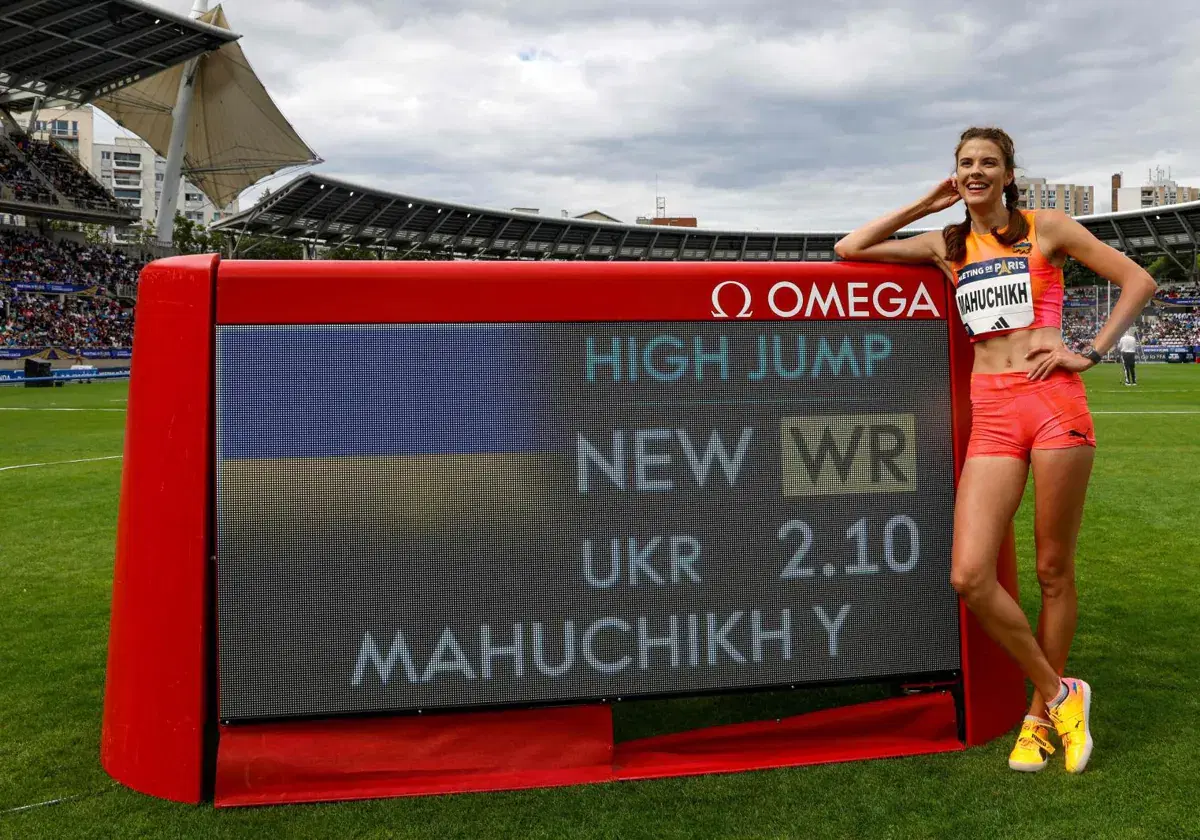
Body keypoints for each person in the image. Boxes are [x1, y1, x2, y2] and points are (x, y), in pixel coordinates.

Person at [834, 126, 1157, 774]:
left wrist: (1088, 351)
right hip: (993, 412)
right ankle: (1059, 690)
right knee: (969, 575)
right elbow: (850, 247)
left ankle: (1038, 723)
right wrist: (924, 206)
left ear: (1009, 173)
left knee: (1052, 570)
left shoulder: (1049, 228)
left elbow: (1139, 281)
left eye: (988, 162)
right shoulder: (946, 243)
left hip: (1053, 401)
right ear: (955, 174)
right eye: (965, 163)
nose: (975, 171)